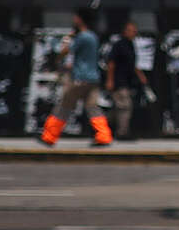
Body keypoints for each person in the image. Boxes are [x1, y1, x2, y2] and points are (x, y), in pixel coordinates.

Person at [40, 9, 111, 148]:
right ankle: (103, 136)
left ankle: (49, 136)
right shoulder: (93, 36)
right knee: (93, 107)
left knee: (64, 106)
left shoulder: (82, 37)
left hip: (80, 78)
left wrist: (58, 56)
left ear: (80, 19)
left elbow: (67, 50)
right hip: (93, 78)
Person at [104, 21, 145, 143]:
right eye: (131, 30)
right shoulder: (119, 45)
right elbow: (111, 63)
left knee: (118, 108)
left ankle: (100, 126)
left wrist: (140, 75)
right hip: (118, 80)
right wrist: (110, 80)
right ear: (125, 31)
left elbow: (132, 63)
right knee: (125, 106)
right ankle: (122, 132)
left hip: (127, 81)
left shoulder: (130, 45)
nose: (134, 33)